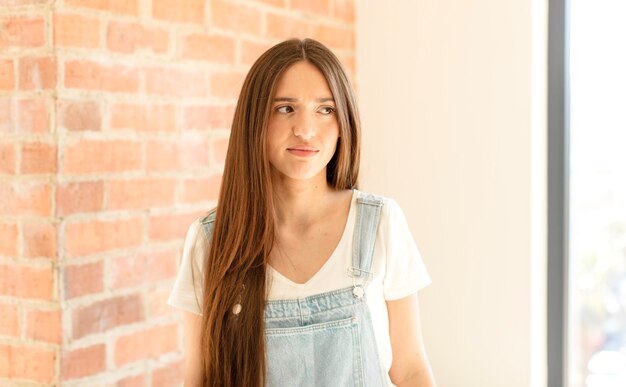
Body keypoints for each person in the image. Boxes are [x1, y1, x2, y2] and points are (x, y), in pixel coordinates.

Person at [167, 38, 436, 387]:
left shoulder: (380, 223)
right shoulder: (212, 240)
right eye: (285, 108)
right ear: (255, 120)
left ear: (344, 122)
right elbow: (200, 377)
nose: (306, 130)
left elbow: (411, 366)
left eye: (325, 110)